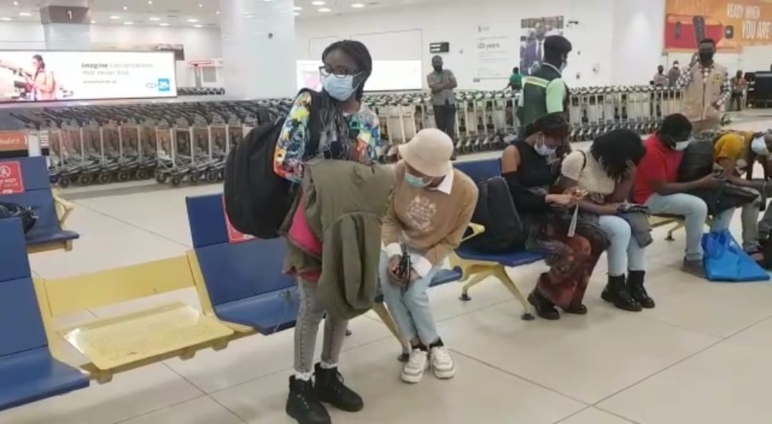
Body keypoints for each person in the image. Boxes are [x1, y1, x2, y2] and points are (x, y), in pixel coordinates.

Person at [274, 40, 381, 424]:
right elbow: (284, 161)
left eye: (343, 70)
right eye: (328, 69)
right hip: (311, 219)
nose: (333, 76)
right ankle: (300, 386)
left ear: (361, 75)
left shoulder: (368, 118)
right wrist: (332, 177)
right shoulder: (309, 105)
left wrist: (360, 169)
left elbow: (371, 167)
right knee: (313, 305)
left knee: (343, 297)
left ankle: (328, 374)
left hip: (350, 222)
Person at [380, 128, 477, 383]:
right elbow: (389, 218)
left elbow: (451, 240)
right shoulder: (401, 171)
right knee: (390, 285)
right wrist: (393, 254)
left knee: (414, 293)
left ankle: (434, 343)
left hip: (432, 249)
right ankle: (417, 346)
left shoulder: (465, 191)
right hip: (398, 243)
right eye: (408, 164)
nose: (408, 171)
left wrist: (419, 269)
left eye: (416, 168)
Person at [501, 113, 608, 320]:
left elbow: (554, 186)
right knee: (578, 248)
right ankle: (543, 294)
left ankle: (571, 296)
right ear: (540, 134)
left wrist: (567, 193)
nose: (557, 145)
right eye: (555, 140)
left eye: (561, 141)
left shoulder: (554, 153)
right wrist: (549, 198)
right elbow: (512, 195)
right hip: (526, 220)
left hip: (551, 213)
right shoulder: (513, 152)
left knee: (598, 239)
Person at [558, 129, 653, 311]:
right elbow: (567, 198)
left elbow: (615, 199)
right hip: (578, 215)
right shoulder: (578, 159)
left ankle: (636, 282)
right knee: (620, 229)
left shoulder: (614, 166)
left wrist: (629, 178)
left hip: (603, 211)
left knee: (639, 226)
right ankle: (615, 284)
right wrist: (601, 209)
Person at [632, 113, 735, 278]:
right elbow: (662, 189)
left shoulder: (677, 143)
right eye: (682, 138)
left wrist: (714, 167)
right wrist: (701, 183)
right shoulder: (650, 151)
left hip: (675, 188)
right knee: (697, 207)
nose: (685, 141)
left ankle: (715, 249)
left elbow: (694, 159)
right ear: (666, 135)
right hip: (650, 197)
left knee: (728, 199)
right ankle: (693, 258)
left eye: (687, 137)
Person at [712, 129, 772, 258]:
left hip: (732, 182)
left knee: (759, 190)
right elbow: (727, 177)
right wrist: (758, 186)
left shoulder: (760, 149)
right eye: (768, 141)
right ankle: (750, 246)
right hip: (715, 183)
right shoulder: (734, 141)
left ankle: (763, 231)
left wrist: (768, 156)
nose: (768, 144)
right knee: (754, 196)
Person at [518, 35, 572, 129]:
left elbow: (520, 111)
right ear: (562, 56)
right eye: (566, 56)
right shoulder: (555, 82)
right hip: (546, 137)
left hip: (527, 135)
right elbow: (556, 120)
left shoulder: (530, 78)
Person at [676, 39, 730, 133]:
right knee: (691, 141)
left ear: (714, 50)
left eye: (708, 49)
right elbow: (679, 85)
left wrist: (718, 103)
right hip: (691, 117)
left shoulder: (721, 70)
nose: (705, 52)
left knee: (711, 141)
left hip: (712, 117)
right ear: (698, 51)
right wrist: (690, 66)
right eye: (703, 49)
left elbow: (727, 90)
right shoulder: (689, 69)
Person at [426, 55, 457, 141]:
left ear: (442, 64)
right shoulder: (430, 76)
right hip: (438, 104)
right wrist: (446, 83)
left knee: (450, 127)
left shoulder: (448, 72)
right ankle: (442, 146)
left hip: (450, 103)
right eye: (436, 65)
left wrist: (439, 86)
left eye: (439, 65)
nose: (438, 67)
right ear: (432, 65)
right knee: (441, 128)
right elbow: (434, 88)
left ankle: (450, 145)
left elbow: (454, 84)